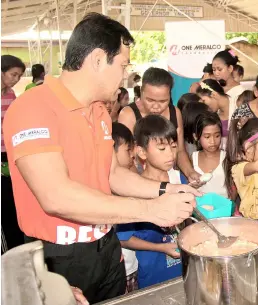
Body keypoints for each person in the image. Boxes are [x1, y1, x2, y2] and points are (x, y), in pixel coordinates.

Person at [3, 13, 199, 304]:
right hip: (58, 256)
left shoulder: (99, 113)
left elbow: (112, 175)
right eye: (122, 65)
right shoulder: (33, 108)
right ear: (97, 59)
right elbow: (56, 197)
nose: (124, 75)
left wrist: (167, 189)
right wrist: (151, 210)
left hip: (105, 245)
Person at [117, 115, 185, 290]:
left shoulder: (178, 179)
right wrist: (161, 247)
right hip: (154, 275)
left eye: (173, 146)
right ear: (142, 152)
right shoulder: (134, 190)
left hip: (185, 268)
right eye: (162, 148)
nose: (171, 154)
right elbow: (123, 239)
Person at [118, 67, 202, 184]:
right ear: (141, 92)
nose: (156, 107)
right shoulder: (128, 115)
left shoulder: (174, 113)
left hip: (169, 178)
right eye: (150, 100)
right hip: (137, 179)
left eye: (163, 101)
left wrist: (190, 173)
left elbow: (180, 150)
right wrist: (142, 183)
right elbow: (126, 158)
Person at [1, 55, 25, 254]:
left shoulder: (11, 95)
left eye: (19, 75)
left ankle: (15, 247)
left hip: (9, 155)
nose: (16, 79)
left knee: (12, 203)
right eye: (13, 74)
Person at [111, 122, 137, 293]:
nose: (132, 156)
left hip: (132, 265)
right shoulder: (111, 189)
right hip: (120, 270)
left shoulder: (129, 182)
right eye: (128, 150)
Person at [192, 112, 228, 198]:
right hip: (199, 208)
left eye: (217, 136)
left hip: (223, 207)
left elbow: (233, 186)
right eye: (207, 137)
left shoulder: (226, 158)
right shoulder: (193, 158)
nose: (212, 141)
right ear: (196, 136)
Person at [212, 49, 245, 120]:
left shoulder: (240, 93)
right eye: (214, 70)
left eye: (220, 69)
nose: (216, 73)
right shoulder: (214, 89)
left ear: (230, 68)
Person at [196, 79, 230, 148]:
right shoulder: (214, 114)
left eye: (204, 101)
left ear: (213, 94)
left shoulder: (238, 107)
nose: (204, 106)